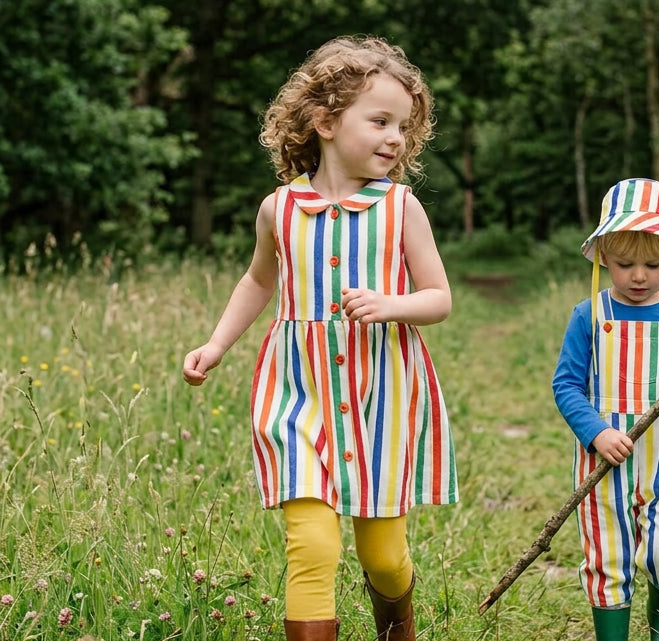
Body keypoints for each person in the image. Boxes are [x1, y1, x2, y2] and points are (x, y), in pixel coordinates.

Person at [182, 36, 458, 641]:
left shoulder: (401, 208)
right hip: (299, 393)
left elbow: (438, 298)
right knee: (312, 544)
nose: (395, 138)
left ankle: (397, 628)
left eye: (404, 127)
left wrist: (393, 305)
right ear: (326, 121)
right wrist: (216, 344)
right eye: (380, 121)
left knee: (382, 556)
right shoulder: (278, 209)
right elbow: (258, 281)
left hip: (380, 393)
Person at [552, 178, 659, 641]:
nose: (639, 276)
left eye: (652, 264)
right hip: (602, 466)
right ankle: (613, 634)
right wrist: (596, 432)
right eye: (625, 264)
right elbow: (566, 384)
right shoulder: (588, 315)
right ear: (603, 256)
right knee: (608, 555)